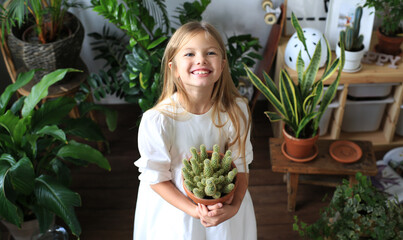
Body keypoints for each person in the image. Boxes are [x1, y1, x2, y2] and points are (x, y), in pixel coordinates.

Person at [133, 21, 257, 240]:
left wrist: (234, 206)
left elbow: (240, 163)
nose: (201, 59)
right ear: (174, 68)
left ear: (222, 64)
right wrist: (195, 211)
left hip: (223, 205)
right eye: (189, 54)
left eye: (210, 52)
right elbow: (156, 178)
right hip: (175, 212)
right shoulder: (159, 120)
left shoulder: (235, 110)